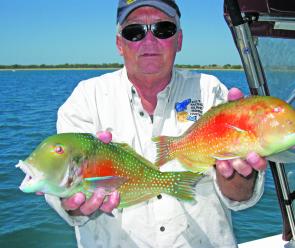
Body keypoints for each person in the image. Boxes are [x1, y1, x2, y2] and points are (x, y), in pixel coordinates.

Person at [45, 1, 267, 247]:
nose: (148, 41)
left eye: (163, 29)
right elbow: (65, 184)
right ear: (120, 44)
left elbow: (240, 196)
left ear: (179, 40)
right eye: (134, 32)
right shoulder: (87, 98)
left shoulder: (210, 91)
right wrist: (73, 205)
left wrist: (239, 174)